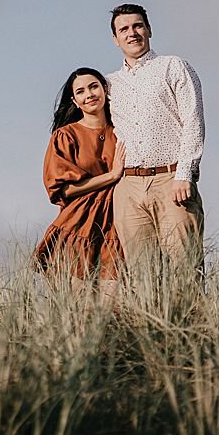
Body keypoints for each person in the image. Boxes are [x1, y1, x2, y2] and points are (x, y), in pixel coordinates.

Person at [105, 3, 205, 278]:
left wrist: (185, 174)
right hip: (128, 188)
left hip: (171, 180)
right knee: (141, 277)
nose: (132, 33)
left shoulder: (173, 66)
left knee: (185, 272)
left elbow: (193, 120)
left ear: (149, 30)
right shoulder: (109, 84)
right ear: (115, 39)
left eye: (137, 26)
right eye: (123, 29)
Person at [34, 66, 125, 282]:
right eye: (81, 92)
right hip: (78, 224)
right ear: (75, 101)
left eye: (93, 87)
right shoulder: (65, 135)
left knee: (115, 304)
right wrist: (111, 176)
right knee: (79, 307)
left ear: (104, 89)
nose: (89, 95)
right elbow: (62, 189)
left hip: (117, 225)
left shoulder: (123, 131)